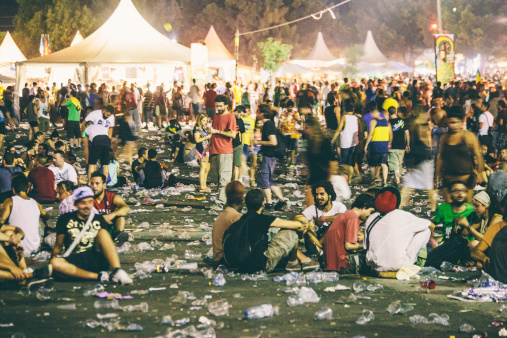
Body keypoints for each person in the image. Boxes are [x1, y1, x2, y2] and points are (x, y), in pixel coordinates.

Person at [50, 186, 132, 284]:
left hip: (95, 258)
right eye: (83, 203)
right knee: (55, 263)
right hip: (74, 261)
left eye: (89, 202)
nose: (87, 206)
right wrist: (51, 265)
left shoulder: (99, 219)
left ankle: (117, 271)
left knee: (102, 233)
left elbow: (106, 245)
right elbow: (58, 246)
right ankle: (100, 277)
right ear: (76, 204)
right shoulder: (64, 219)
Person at [225, 189, 310, 273]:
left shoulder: (240, 221)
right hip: (260, 265)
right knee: (292, 232)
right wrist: (305, 226)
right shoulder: (261, 219)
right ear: (263, 203)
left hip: (240, 265)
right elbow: (297, 225)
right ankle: (293, 263)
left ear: (246, 205)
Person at [364, 186, 432, 276]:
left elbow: (366, 247)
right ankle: (409, 264)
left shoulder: (371, 218)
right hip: (399, 265)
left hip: (375, 265)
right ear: (398, 203)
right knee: (426, 231)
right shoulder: (403, 215)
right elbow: (429, 224)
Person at [435, 106, 484, 203]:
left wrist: (480, 173)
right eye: (450, 123)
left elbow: (478, 155)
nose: (452, 126)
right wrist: (437, 174)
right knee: (449, 208)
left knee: (467, 207)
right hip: (448, 177)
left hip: (466, 177)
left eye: (455, 123)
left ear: (461, 122)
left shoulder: (469, 137)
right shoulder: (444, 138)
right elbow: (440, 158)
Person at [324, 194, 375, 273]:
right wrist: (366, 245)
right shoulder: (353, 217)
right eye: (370, 211)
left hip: (331, 264)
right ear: (364, 207)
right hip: (342, 264)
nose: (370, 215)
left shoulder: (346, 214)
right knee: (374, 258)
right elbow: (349, 246)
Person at [0, 174, 50, 255]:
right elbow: (47, 215)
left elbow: (1, 221)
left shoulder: (9, 201)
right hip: (35, 247)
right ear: (28, 190)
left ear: (13, 190)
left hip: (16, 244)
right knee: (40, 221)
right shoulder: (35, 203)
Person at [254, 106, 286, 210]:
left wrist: (258, 142)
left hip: (269, 155)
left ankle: (269, 202)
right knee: (270, 180)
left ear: (262, 114)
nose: (256, 113)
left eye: (258, 111)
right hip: (271, 156)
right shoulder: (270, 124)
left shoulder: (268, 125)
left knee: (264, 179)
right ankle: (281, 200)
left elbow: (273, 141)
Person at [209, 95, 236, 209]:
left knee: (224, 179)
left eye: (220, 106)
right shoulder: (216, 115)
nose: (218, 108)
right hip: (214, 150)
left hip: (225, 151)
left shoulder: (230, 117)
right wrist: (208, 146)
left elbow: (232, 134)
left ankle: (220, 203)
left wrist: (217, 131)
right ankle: (224, 201)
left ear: (226, 105)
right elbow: (212, 133)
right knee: (217, 179)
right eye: (217, 106)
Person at [90, 172, 130, 242]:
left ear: (104, 185)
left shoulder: (111, 197)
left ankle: (119, 237)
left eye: (97, 183)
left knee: (120, 215)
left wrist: (112, 215)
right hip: (93, 230)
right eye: (92, 183)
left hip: (109, 228)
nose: (94, 186)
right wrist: (101, 217)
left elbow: (126, 208)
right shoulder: (87, 199)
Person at [212, 181, 245, 264]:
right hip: (226, 260)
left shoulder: (224, 213)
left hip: (219, 257)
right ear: (242, 198)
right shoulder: (236, 217)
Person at [364, 105, 391, 186]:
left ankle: (373, 180)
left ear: (373, 113)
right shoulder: (386, 122)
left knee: (372, 164)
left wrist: (366, 145)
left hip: (376, 145)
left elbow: (371, 134)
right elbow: (390, 134)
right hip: (384, 145)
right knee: (383, 164)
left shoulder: (373, 121)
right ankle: (385, 182)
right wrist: (389, 144)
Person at [335, 99, 360, 182]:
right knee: (351, 161)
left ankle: (351, 177)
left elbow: (339, 129)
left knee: (344, 163)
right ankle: (349, 180)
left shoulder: (344, 117)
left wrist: (333, 139)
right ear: (353, 110)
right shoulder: (356, 118)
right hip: (354, 143)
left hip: (345, 143)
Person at [387, 106, 409, 186]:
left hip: (393, 146)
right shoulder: (402, 121)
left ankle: (397, 181)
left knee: (395, 164)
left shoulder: (388, 122)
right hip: (402, 145)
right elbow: (407, 133)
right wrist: (408, 144)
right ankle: (398, 179)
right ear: (395, 112)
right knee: (399, 163)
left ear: (388, 113)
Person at [232, 106, 246, 180]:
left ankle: (235, 182)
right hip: (228, 146)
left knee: (236, 165)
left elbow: (243, 132)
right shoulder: (230, 118)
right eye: (241, 115)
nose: (241, 117)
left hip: (237, 145)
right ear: (236, 112)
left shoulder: (240, 121)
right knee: (229, 165)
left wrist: (242, 143)